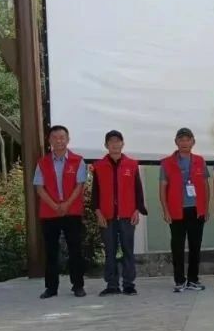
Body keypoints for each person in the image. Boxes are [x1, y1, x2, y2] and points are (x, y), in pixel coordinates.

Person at [33, 125, 89, 299]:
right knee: (51, 251)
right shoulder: (42, 162)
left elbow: (80, 185)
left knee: (75, 250)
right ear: (50, 140)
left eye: (62, 137)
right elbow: (39, 188)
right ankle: (51, 288)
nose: (59, 141)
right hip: (49, 213)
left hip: (72, 212)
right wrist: (55, 205)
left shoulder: (78, 160)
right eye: (55, 137)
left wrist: (66, 204)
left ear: (68, 139)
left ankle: (78, 286)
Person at [91, 130, 146, 297]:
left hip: (127, 215)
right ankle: (112, 284)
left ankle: (129, 284)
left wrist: (137, 210)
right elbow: (95, 192)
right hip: (106, 216)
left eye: (118, 141)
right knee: (110, 251)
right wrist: (98, 212)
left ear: (123, 144)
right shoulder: (99, 166)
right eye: (111, 142)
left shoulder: (132, 164)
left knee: (128, 250)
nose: (115, 144)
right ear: (106, 145)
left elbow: (138, 190)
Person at [160, 128, 210, 293]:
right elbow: (162, 188)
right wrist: (165, 210)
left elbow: (205, 185)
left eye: (187, 139)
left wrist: (206, 208)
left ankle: (193, 280)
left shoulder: (200, 161)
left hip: (196, 210)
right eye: (181, 139)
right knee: (177, 247)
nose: (184, 143)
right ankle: (180, 280)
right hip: (176, 211)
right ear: (176, 142)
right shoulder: (167, 163)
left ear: (193, 142)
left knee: (195, 246)